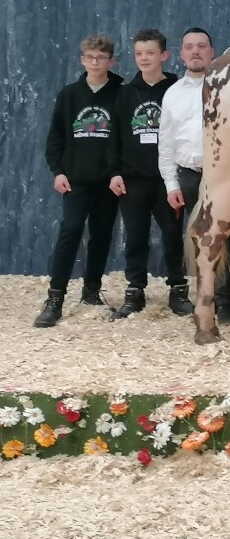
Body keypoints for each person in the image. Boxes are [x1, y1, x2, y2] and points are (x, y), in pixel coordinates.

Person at [35, 34, 125, 327]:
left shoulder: (121, 93)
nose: (95, 62)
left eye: (101, 57)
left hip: (108, 181)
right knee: (71, 230)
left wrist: (117, 172)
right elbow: (55, 138)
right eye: (89, 57)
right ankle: (55, 296)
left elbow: (124, 139)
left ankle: (91, 291)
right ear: (82, 60)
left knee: (101, 235)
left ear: (110, 61)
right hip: (75, 180)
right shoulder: (69, 94)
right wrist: (57, 171)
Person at [108, 28, 192, 320]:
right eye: (139, 53)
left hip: (167, 181)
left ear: (164, 56)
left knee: (172, 235)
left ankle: (179, 291)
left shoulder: (178, 89)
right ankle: (135, 293)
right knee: (135, 237)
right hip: (133, 179)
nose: (144, 58)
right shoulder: (125, 93)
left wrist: (178, 177)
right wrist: (115, 173)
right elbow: (115, 136)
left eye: (150, 53)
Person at [158, 27, 230, 324]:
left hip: (223, 176)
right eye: (189, 47)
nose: (195, 51)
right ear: (181, 54)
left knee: (226, 239)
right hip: (189, 176)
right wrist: (171, 184)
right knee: (196, 240)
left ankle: (225, 302)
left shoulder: (229, 90)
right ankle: (202, 299)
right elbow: (166, 144)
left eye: (201, 46)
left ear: (212, 51)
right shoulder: (172, 94)